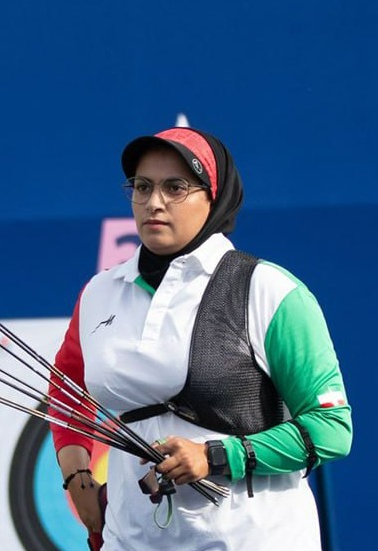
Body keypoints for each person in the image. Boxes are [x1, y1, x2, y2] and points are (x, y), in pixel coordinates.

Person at [48, 127, 352, 550]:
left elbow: (331, 430)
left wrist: (213, 455)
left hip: (255, 538)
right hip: (130, 539)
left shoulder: (268, 290)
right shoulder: (101, 291)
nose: (154, 202)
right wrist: (77, 475)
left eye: (175, 187)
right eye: (142, 187)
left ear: (214, 196)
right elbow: (67, 387)